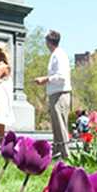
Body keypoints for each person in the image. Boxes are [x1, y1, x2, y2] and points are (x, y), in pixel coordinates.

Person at [35, 30, 72, 159]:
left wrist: (45, 79)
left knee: (61, 126)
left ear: (48, 42)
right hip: (56, 94)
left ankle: (67, 155)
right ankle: (57, 154)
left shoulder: (59, 55)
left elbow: (61, 76)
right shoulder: (56, 54)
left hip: (60, 94)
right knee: (56, 127)